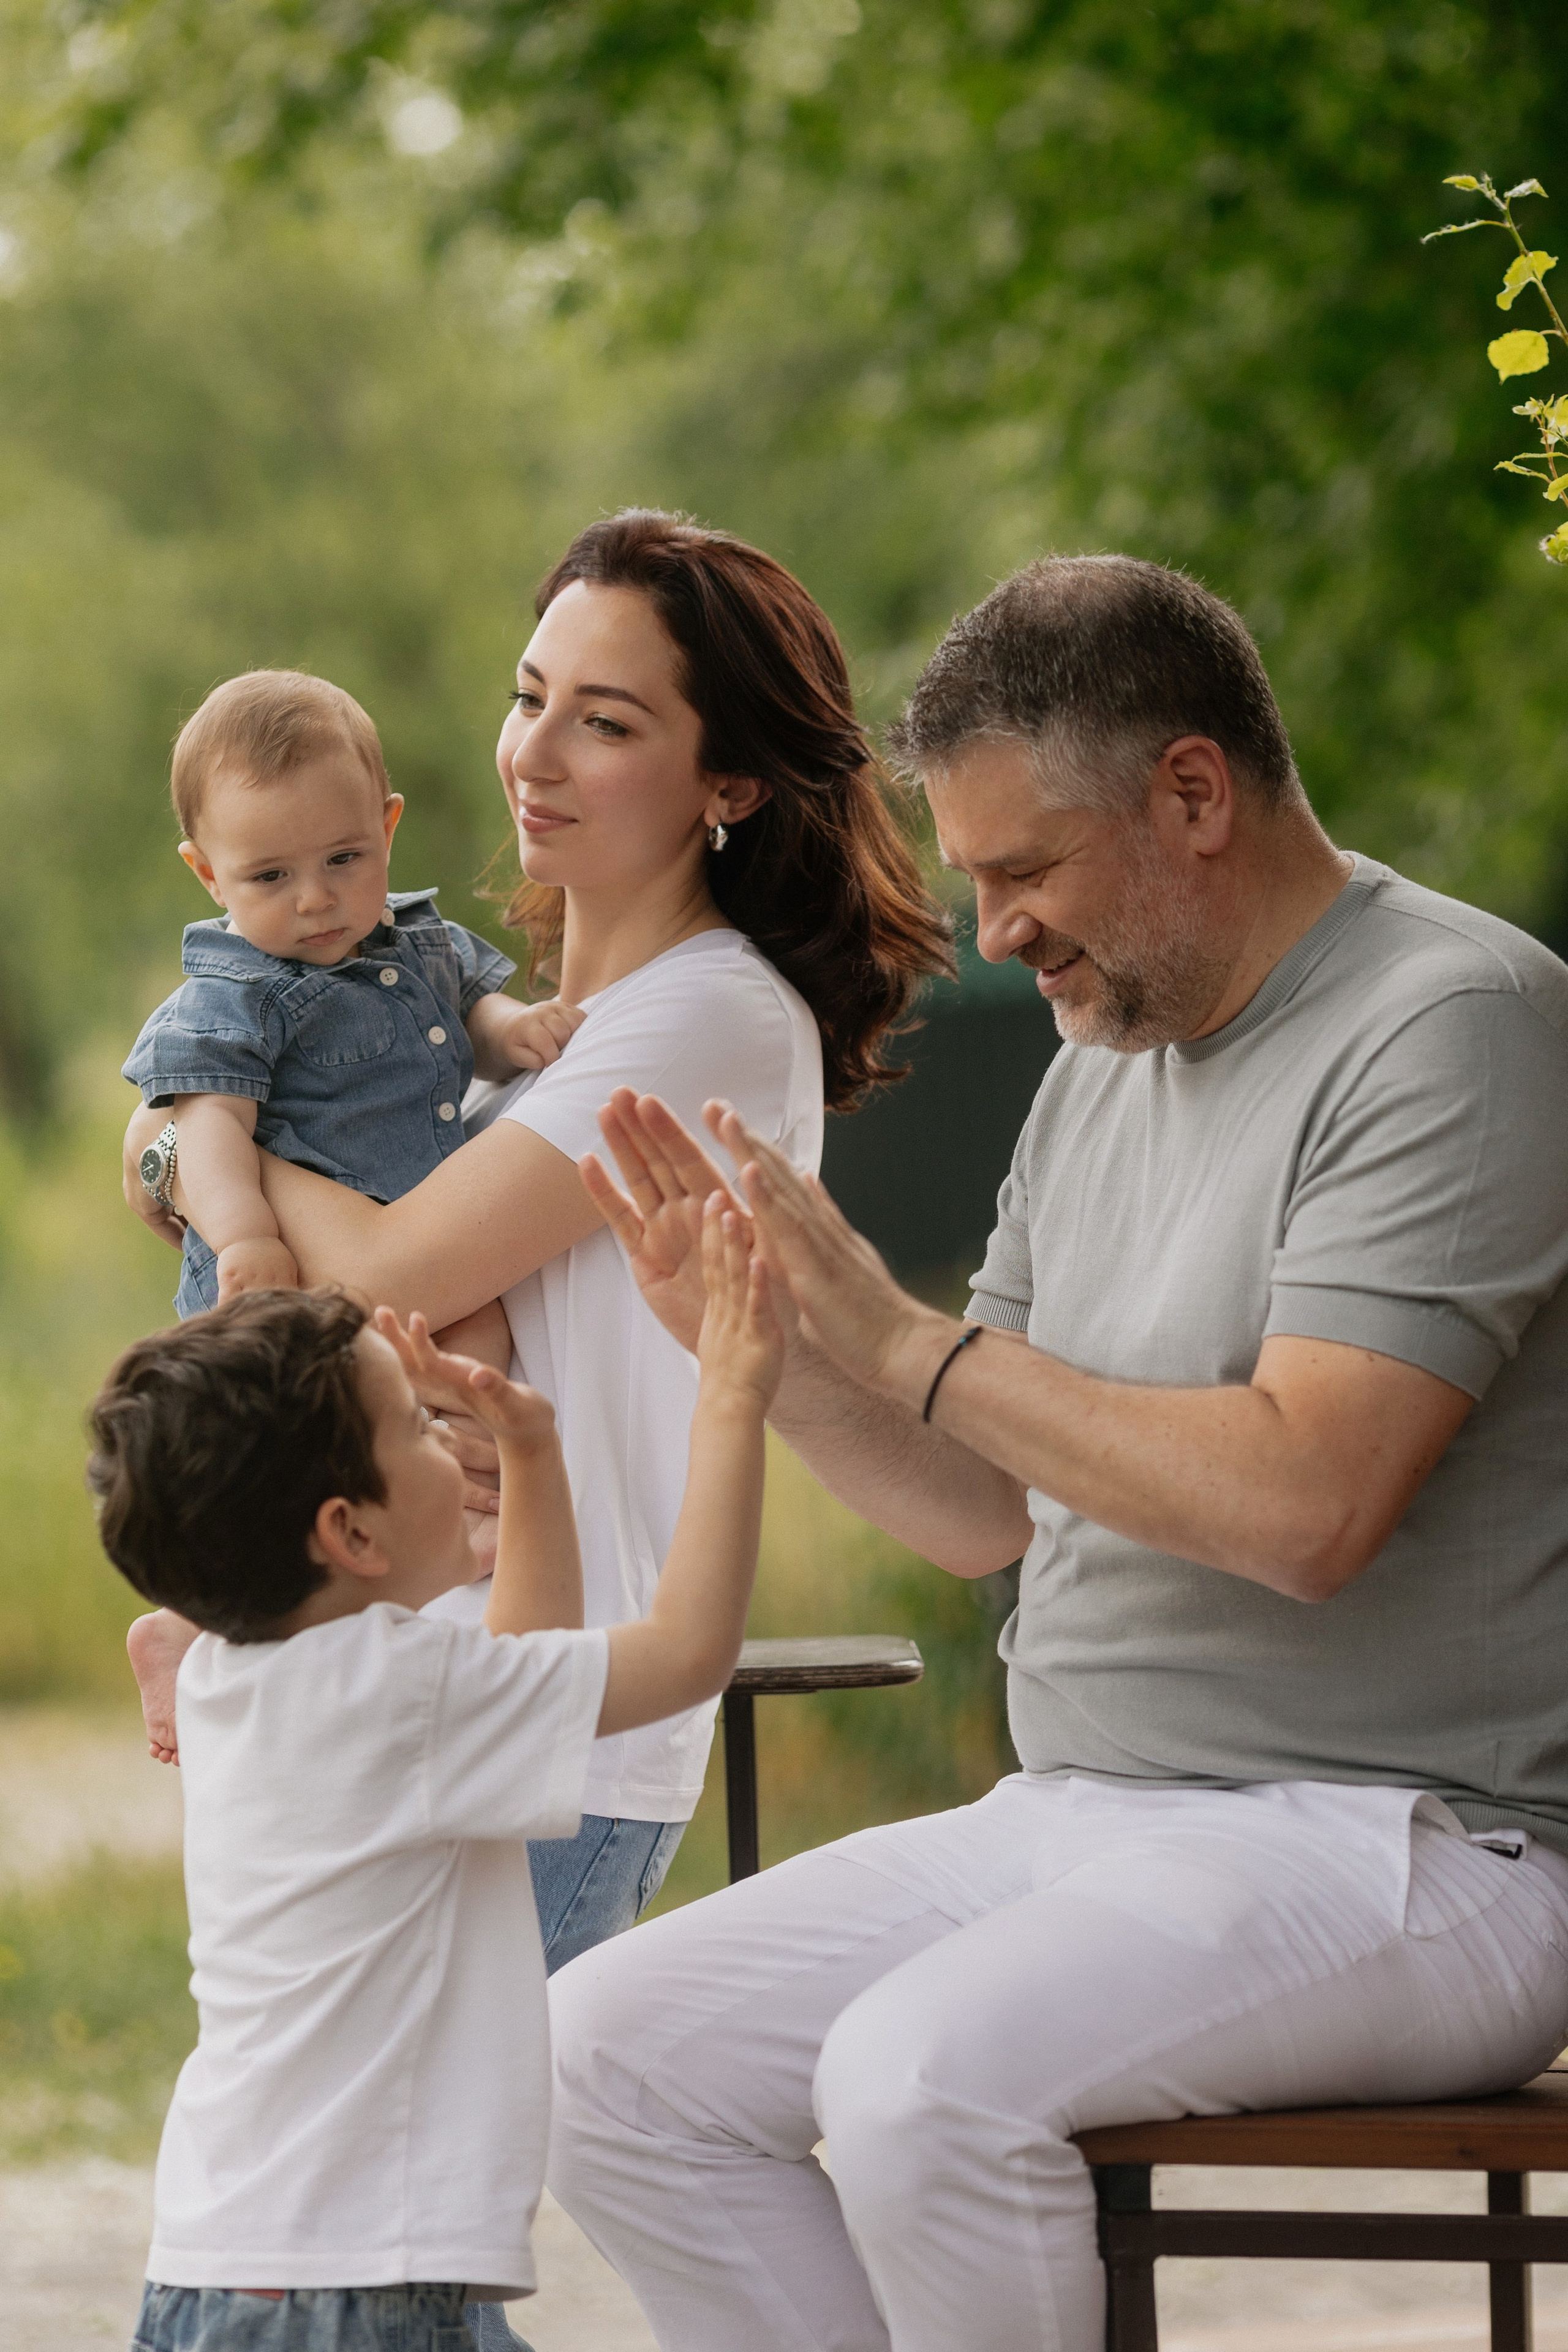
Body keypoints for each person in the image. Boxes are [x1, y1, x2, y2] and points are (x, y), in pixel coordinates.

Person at [549, 554, 1568, 2352]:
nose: (995, 930)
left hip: (1412, 1844)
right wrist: (766, 1358)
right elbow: (983, 1509)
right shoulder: (1100, 1056)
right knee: (596, 2056)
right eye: (972, 878)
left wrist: (908, 1342)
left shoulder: (1452, 1019)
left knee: (917, 2081)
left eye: (1023, 868)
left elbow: (1306, 1504)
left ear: (1191, 793)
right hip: (1084, 1814)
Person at [120, 510, 951, 1967]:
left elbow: (381, 1273)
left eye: (605, 721)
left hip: (560, 1711)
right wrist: (183, 1144)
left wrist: (204, 1149)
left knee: (453, 2103)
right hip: (410, 1672)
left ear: (729, 782)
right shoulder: (508, 1035)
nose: (534, 754)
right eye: (528, 698)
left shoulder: (704, 1013)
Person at [86, 1193, 781, 2352]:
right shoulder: (398, 1693)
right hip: (345, 2295)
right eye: (416, 1424)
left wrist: (532, 1447)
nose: (442, 1434)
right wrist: (731, 1398)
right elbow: (688, 1651)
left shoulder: (240, 1678)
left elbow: (525, 1660)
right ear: (351, 1534)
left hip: (231, 2265)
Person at [124, 668, 583, 1322]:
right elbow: (209, 1126)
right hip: (285, 1270)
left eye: (343, 859)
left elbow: (469, 1008)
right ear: (209, 875)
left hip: (420, 1231)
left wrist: (511, 1030)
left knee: (483, 1340)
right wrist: (245, 1235)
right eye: (271, 876)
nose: (315, 899)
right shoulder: (233, 997)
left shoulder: (420, 938)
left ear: (386, 829)